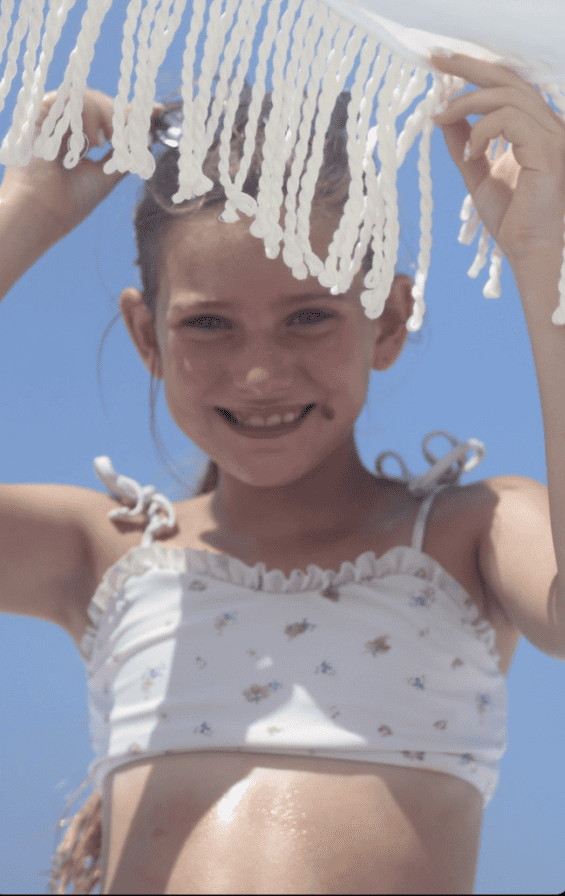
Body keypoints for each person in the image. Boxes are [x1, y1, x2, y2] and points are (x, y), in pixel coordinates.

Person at [1, 52, 564, 895]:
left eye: (307, 316)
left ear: (388, 319)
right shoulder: (104, 555)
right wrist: (26, 208)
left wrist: (546, 259)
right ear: (146, 336)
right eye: (210, 325)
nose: (259, 374)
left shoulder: (467, 534)